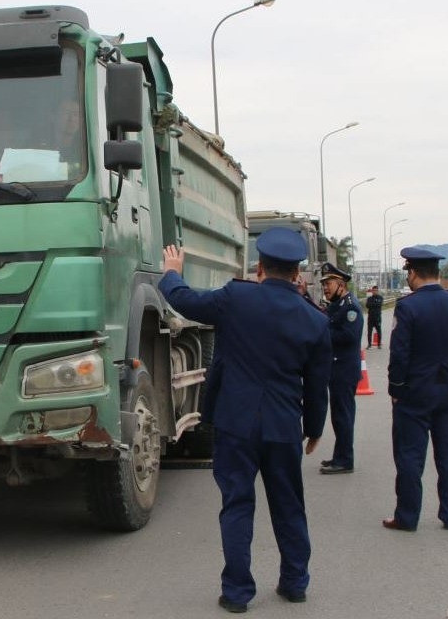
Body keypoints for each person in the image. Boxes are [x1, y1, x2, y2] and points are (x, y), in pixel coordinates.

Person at [159, 227, 332, 613]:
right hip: (284, 426)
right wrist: (315, 429)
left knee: (237, 504)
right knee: (289, 505)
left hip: (236, 423)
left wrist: (172, 271)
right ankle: (294, 583)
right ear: (297, 272)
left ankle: (237, 593)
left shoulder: (236, 298)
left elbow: (185, 301)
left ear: (259, 267)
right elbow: (318, 385)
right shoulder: (315, 320)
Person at [383, 246, 448, 532]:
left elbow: (400, 354)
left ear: (412, 273)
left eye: (407, 272)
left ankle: (407, 517)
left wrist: (395, 388)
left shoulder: (408, 306)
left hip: (414, 393)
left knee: (410, 456)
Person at [318, 262, 364, 475]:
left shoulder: (350, 307)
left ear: (341, 284)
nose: (325, 288)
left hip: (343, 371)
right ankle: (340, 455)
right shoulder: (338, 304)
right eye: (324, 284)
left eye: (328, 283)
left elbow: (348, 336)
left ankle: (345, 460)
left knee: (343, 416)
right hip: (337, 369)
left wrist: (322, 336)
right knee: (339, 416)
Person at [365, 284, 384, 348]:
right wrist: (374, 304)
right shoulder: (369, 298)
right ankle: (369, 344)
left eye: (376, 290)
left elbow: (379, 305)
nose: (375, 291)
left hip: (377, 317)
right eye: (374, 290)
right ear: (372, 291)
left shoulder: (380, 298)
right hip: (370, 317)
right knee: (369, 331)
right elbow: (367, 305)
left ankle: (379, 344)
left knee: (379, 331)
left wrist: (372, 304)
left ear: (377, 291)